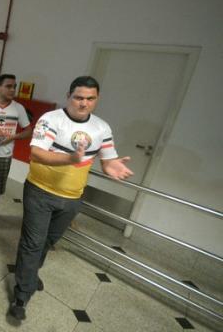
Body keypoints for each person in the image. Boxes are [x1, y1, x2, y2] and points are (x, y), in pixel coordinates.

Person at [9, 76, 134, 320]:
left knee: (47, 241)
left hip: (72, 197)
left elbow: (108, 160)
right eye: (78, 97)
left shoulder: (102, 128)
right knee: (32, 243)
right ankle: (21, 295)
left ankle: (31, 273)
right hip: (40, 191)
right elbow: (36, 153)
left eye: (90, 98)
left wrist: (111, 167)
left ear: (97, 99)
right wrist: (71, 159)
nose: (83, 103)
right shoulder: (51, 119)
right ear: (69, 96)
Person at [0, 74, 32, 221]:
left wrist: (12, 137)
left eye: (14, 87)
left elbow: (29, 131)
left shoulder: (18, 108)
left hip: (5, 156)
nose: (12, 89)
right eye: (8, 86)